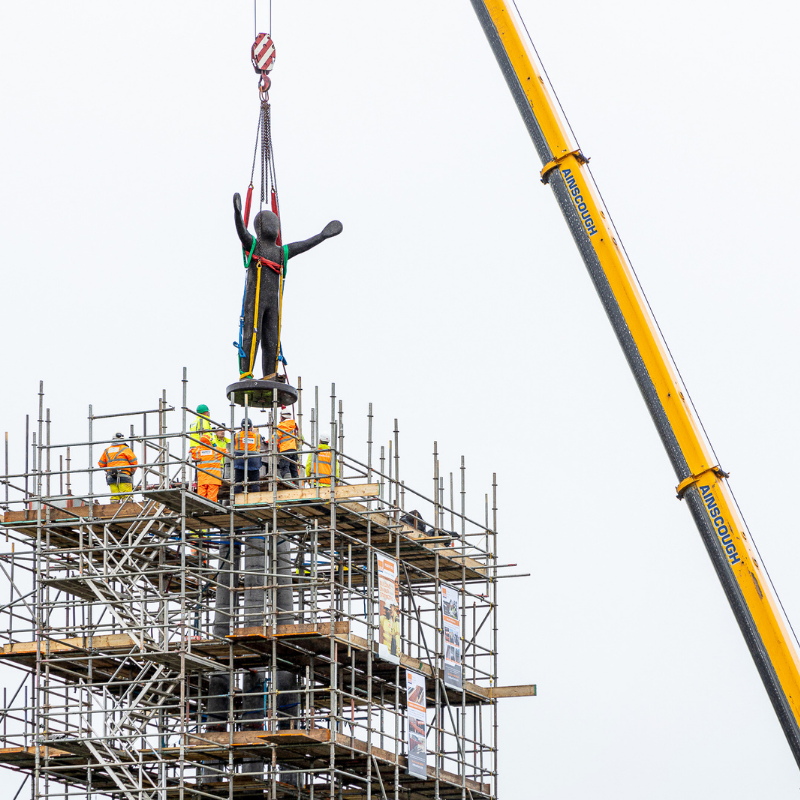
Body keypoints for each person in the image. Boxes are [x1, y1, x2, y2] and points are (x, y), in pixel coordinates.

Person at [233, 193, 343, 380]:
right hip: (255, 301)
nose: (274, 227)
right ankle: (246, 372)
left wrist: (322, 236)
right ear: (260, 227)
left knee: (272, 339)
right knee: (252, 333)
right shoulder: (254, 246)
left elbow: (303, 245)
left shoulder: (281, 252)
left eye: (275, 223)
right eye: (270, 223)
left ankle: (270, 374)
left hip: (273, 306)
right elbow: (242, 232)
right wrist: (237, 213)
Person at [98, 433, 138, 503]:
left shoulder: (107, 450)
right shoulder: (126, 449)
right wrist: (131, 472)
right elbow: (134, 462)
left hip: (111, 476)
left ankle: (114, 507)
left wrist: (109, 470)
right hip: (124, 475)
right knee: (127, 497)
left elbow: (101, 464)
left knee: (114, 497)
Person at [191, 433, 223, 503]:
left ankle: (202, 508)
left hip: (202, 479)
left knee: (201, 499)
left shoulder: (198, 451)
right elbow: (226, 451)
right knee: (212, 499)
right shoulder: (216, 450)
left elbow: (191, 452)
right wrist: (214, 445)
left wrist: (199, 447)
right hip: (213, 479)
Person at [234, 418, 262, 495]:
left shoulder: (237, 435)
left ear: (241, 427)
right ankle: (255, 499)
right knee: (255, 483)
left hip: (240, 461)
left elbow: (233, 444)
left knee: (238, 483)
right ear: (251, 427)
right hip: (254, 462)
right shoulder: (257, 436)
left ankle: (236, 499)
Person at [276, 409, 301, 484]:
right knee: (294, 469)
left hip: (285, 450)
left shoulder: (281, 426)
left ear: (281, 417)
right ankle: (298, 485)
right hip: (294, 450)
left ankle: (288, 484)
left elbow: (274, 438)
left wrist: (268, 441)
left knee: (285, 467)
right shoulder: (293, 425)